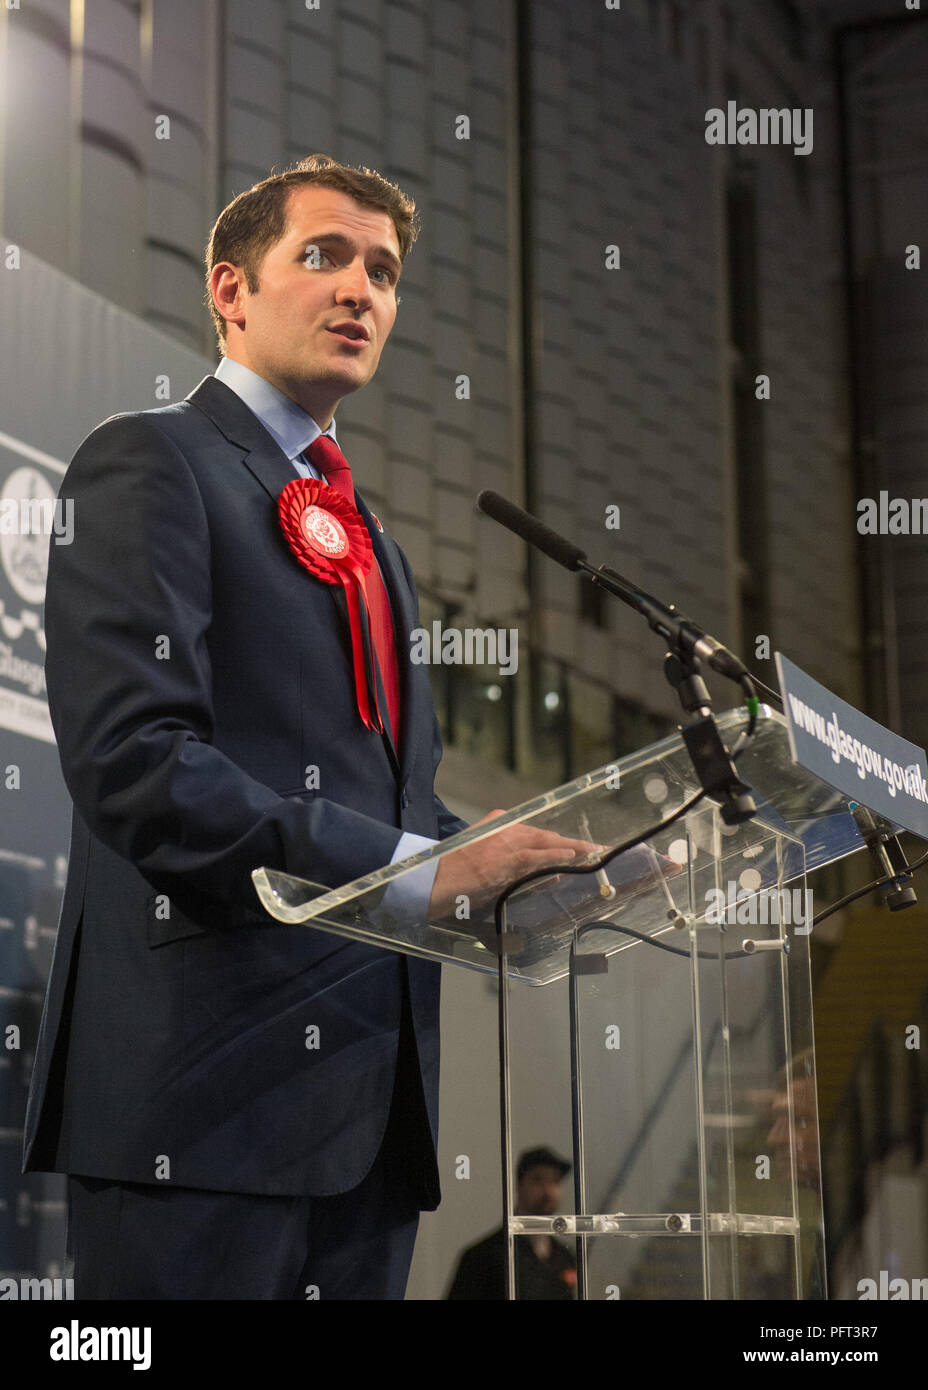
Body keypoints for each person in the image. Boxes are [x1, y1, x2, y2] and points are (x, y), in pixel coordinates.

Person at [21, 154, 584, 1300]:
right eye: (324, 256)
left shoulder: (380, 545)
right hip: (201, 1106)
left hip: (371, 1123)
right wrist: (422, 871)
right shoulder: (150, 462)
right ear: (230, 290)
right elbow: (136, 766)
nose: (361, 290)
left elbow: (399, 810)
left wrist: (521, 875)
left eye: (383, 270)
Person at [447, 1147, 577, 1299]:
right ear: (518, 1185)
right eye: (538, 1179)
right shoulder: (484, 1257)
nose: (548, 1190)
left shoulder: (565, 1257)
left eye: (555, 1180)